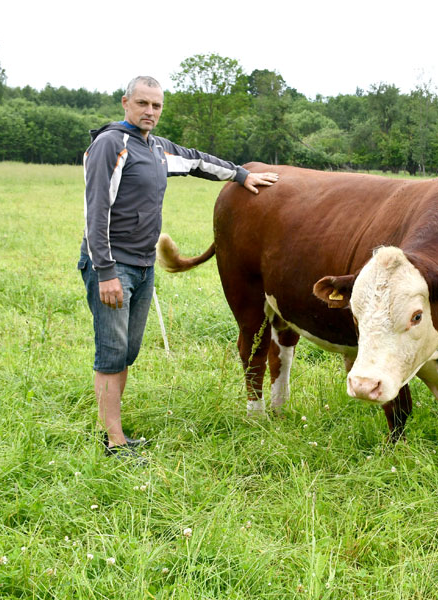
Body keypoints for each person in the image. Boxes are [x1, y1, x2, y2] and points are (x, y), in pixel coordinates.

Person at [79, 75, 279, 461]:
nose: (150, 112)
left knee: (127, 351)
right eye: (142, 104)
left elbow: (199, 161)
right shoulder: (110, 145)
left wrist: (241, 174)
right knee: (111, 352)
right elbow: (96, 211)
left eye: (156, 106)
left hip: (142, 265)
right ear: (126, 103)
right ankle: (114, 441)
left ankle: (114, 432)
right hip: (113, 265)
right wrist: (104, 272)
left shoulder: (156, 148)